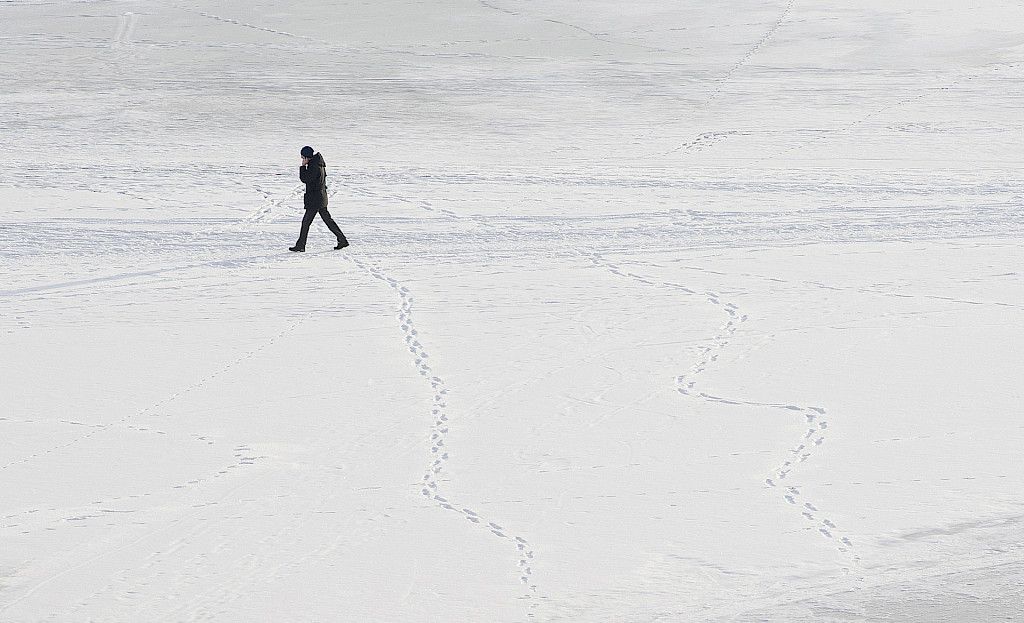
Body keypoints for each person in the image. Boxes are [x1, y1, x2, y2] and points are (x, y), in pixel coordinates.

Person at [290, 146, 349, 252]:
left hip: (315, 199)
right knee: (327, 221)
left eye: (303, 157)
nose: (302, 160)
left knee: (306, 222)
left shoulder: (313, 166)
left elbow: (305, 179)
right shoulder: (319, 164)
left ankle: (301, 245)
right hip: (320, 198)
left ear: (307, 157)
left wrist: (303, 167)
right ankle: (342, 239)